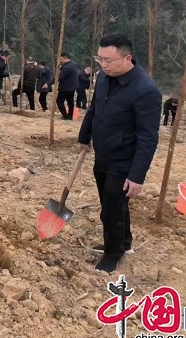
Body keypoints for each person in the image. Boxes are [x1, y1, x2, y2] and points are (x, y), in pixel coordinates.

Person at [78, 34, 161, 273]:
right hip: (103, 153)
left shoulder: (146, 91)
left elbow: (148, 137)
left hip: (124, 160)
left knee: (112, 209)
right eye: (99, 59)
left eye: (108, 60)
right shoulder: (103, 78)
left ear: (128, 59)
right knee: (112, 203)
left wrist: (137, 176)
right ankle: (124, 242)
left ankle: (113, 253)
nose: (103, 65)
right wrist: (85, 137)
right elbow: (94, 109)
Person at [56, 52, 78, 119]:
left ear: (65, 58)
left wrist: (48, 83)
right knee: (70, 102)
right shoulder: (73, 64)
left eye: (61, 59)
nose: (60, 60)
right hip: (72, 87)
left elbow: (59, 77)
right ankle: (70, 116)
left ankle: (65, 116)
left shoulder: (67, 67)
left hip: (65, 88)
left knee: (59, 101)